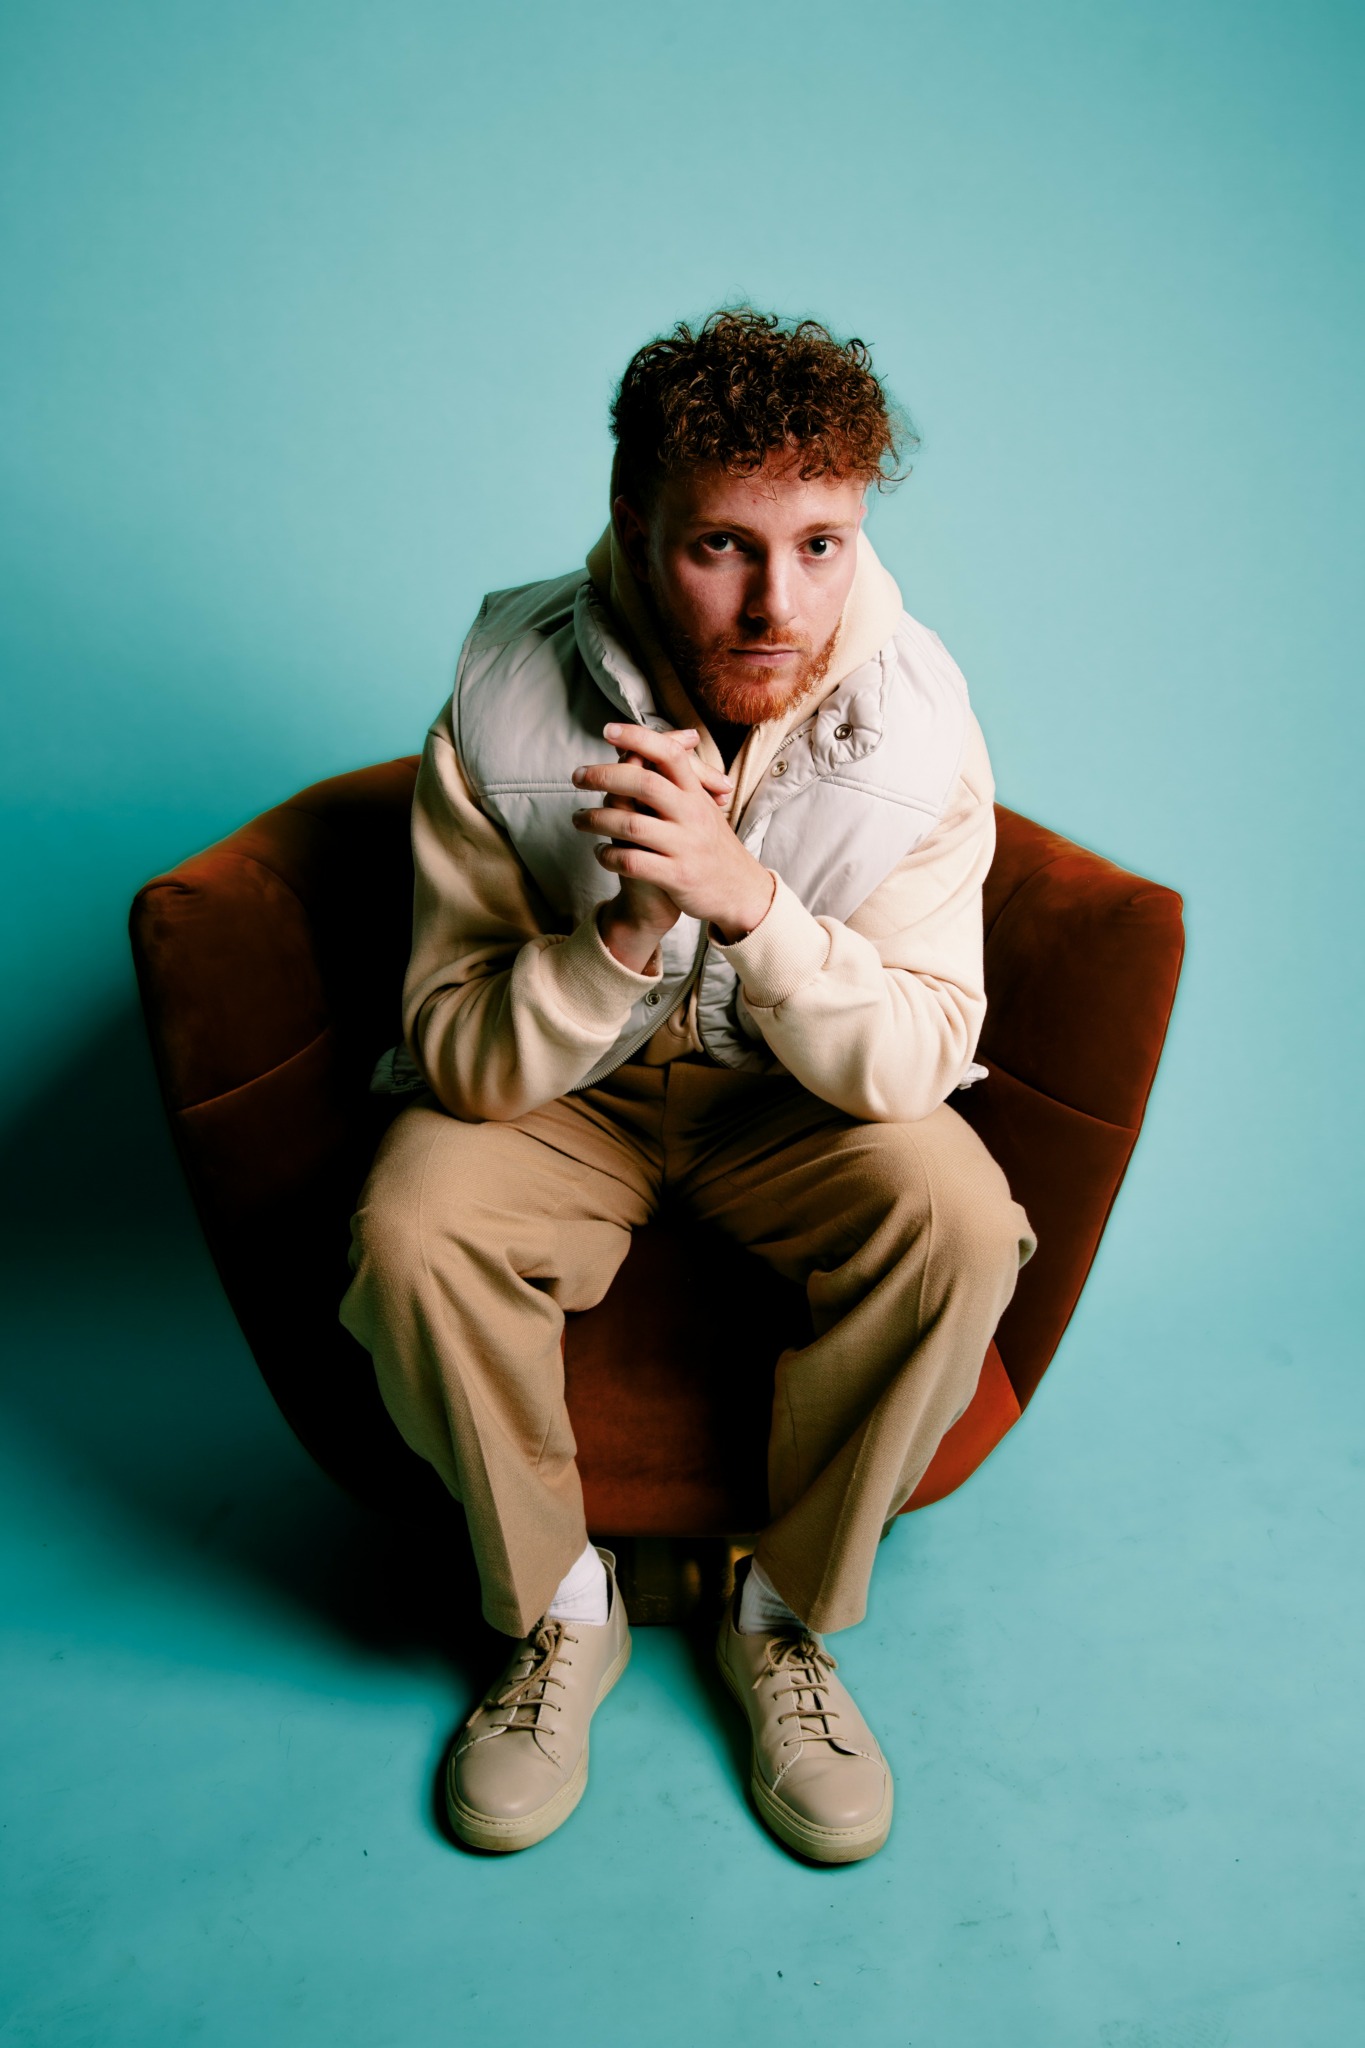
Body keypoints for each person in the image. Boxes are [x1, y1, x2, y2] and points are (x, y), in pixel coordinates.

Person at [340, 308, 1035, 1864]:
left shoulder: (921, 714)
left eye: (819, 545)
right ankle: (557, 1611)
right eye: (723, 545)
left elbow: (918, 1054)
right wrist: (626, 930)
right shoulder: (501, 684)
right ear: (635, 521)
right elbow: (453, 1044)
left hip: (795, 1096)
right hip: (562, 1090)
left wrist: (751, 909)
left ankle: (780, 1616)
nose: (776, 602)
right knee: (408, 1231)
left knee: (961, 1223)